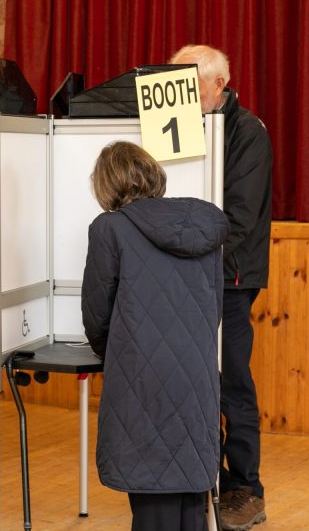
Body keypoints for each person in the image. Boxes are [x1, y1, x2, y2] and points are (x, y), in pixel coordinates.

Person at [81, 141, 230, 531]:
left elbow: (97, 315)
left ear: (107, 185)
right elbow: (213, 308)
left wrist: (117, 351)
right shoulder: (205, 228)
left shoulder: (109, 229)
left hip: (141, 382)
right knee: (188, 504)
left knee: (151, 505)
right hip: (197, 377)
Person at [169, 45, 273, 531]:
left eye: (189, 84)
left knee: (231, 381)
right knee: (192, 382)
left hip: (229, 278)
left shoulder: (247, 132)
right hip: (186, 275)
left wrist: (190, 251)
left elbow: (239, 218)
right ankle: (201, 478)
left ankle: (245, 489)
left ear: (218, 85)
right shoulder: (177, 125)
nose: (180, 93)